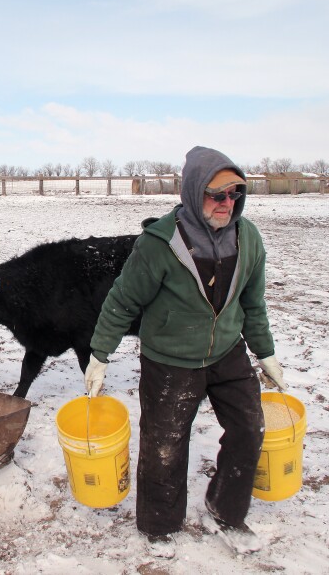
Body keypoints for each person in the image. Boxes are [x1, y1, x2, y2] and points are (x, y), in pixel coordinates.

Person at [83, 145, 286, 558]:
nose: (228, 203)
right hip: (170, 360)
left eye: (235, 193)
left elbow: (253, 303)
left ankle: (226, 510)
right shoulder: (159, 244)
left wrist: (265, 354)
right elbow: (122, 301)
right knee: (165, 446)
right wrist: (99, 355)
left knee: (250, 430)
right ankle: (160, 527)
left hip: (227, 351)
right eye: (217, 195)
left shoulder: (248, 239)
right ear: (194, 193)